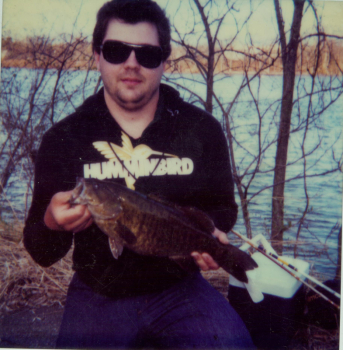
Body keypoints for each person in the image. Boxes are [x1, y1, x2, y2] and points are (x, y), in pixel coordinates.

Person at [23, 0, 255, 348]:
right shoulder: (64, 138)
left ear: (164, 60)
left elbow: (223, 208)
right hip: (97, 291)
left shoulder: (200, 129)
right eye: (117, 51)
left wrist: (208, 237)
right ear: (97, 55)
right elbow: (41, 251)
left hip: (181, 288)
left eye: (147, 54)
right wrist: (53, 222)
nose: (132, 64)